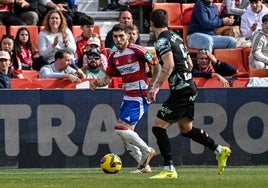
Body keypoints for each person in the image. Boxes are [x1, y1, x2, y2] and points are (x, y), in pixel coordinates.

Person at [148, 9, 231, 179]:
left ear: (150, 23)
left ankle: (169, 169)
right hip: (189, 86)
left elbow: (169, 65)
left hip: (181, 89)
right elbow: (189, 63)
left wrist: (156, 86)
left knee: (158, 127)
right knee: (186, 129)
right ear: (167, 22)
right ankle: (219, 150)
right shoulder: (176, 37)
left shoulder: (162, 40)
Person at [90, 23, 159, 174]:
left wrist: (153, 86)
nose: (118, 39)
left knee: (120, 128)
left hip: (140, 94)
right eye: (115, 36)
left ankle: (147, 151)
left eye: (121, 36)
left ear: (128, 35)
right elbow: (107, 79)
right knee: (125, 134)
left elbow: (157, 66)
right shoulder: (113, 56)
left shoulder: (138, 50)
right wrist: (97, 83)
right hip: (128, 95)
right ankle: (144, 166)